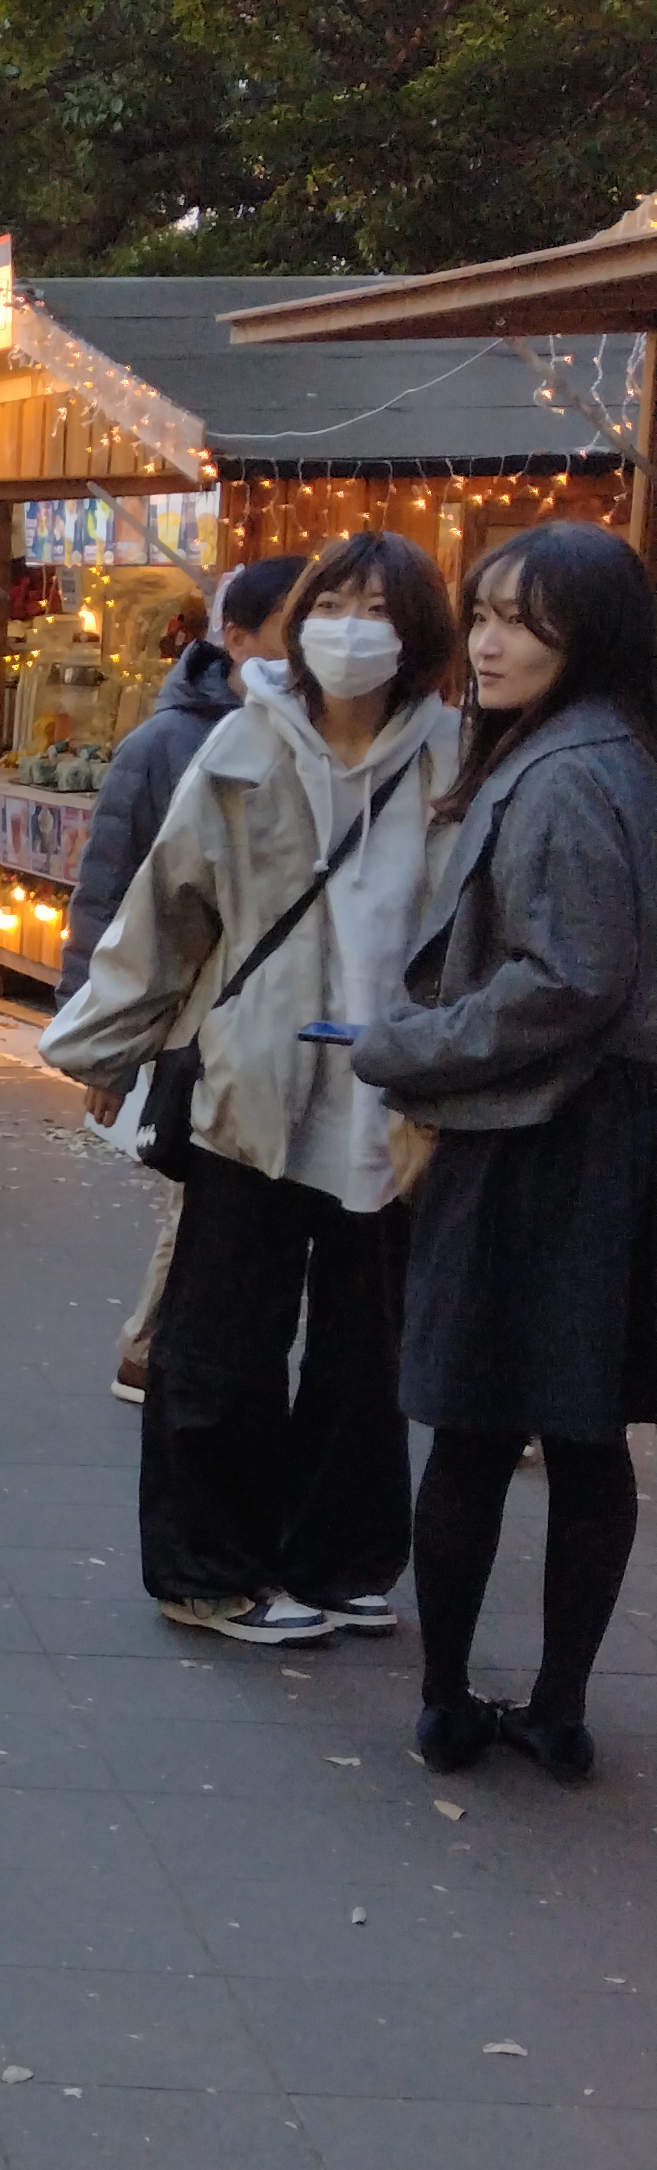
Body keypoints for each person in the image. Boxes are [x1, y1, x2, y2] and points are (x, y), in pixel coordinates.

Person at [44, 531, 458, 1648]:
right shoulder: (242, 746)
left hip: (396, 1092)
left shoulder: (453, 762)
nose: (354, 622)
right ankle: (208, 1566)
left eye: (380, 604)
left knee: (365, 1347)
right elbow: (165, 906)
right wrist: (105, 1047)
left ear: (418, 633)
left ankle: (340, 1555)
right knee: (223, 1329)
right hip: (251, 1079)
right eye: (338, 599)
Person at [352, 524, 657, 1780]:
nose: (486, 641)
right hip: (599, 1135)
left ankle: (459, 1698)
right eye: (482, 612)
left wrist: (409, 1045)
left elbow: (570, 978)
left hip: (548, 1138)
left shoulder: (573, 769)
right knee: (580, 1436)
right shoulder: (603, 751)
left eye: (524, 621)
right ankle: (554, 1707)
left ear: (589, 636)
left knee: (481, 1423)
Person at [61, 554, 306, 1401]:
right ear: (237, 638)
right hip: (201, 1026)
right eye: (296, 624)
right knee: (197, 1198)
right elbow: (113, 892)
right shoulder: (166, 744)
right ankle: (150, 1345)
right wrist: (106, 1044)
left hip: (310, 1039)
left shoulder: (352, 748)